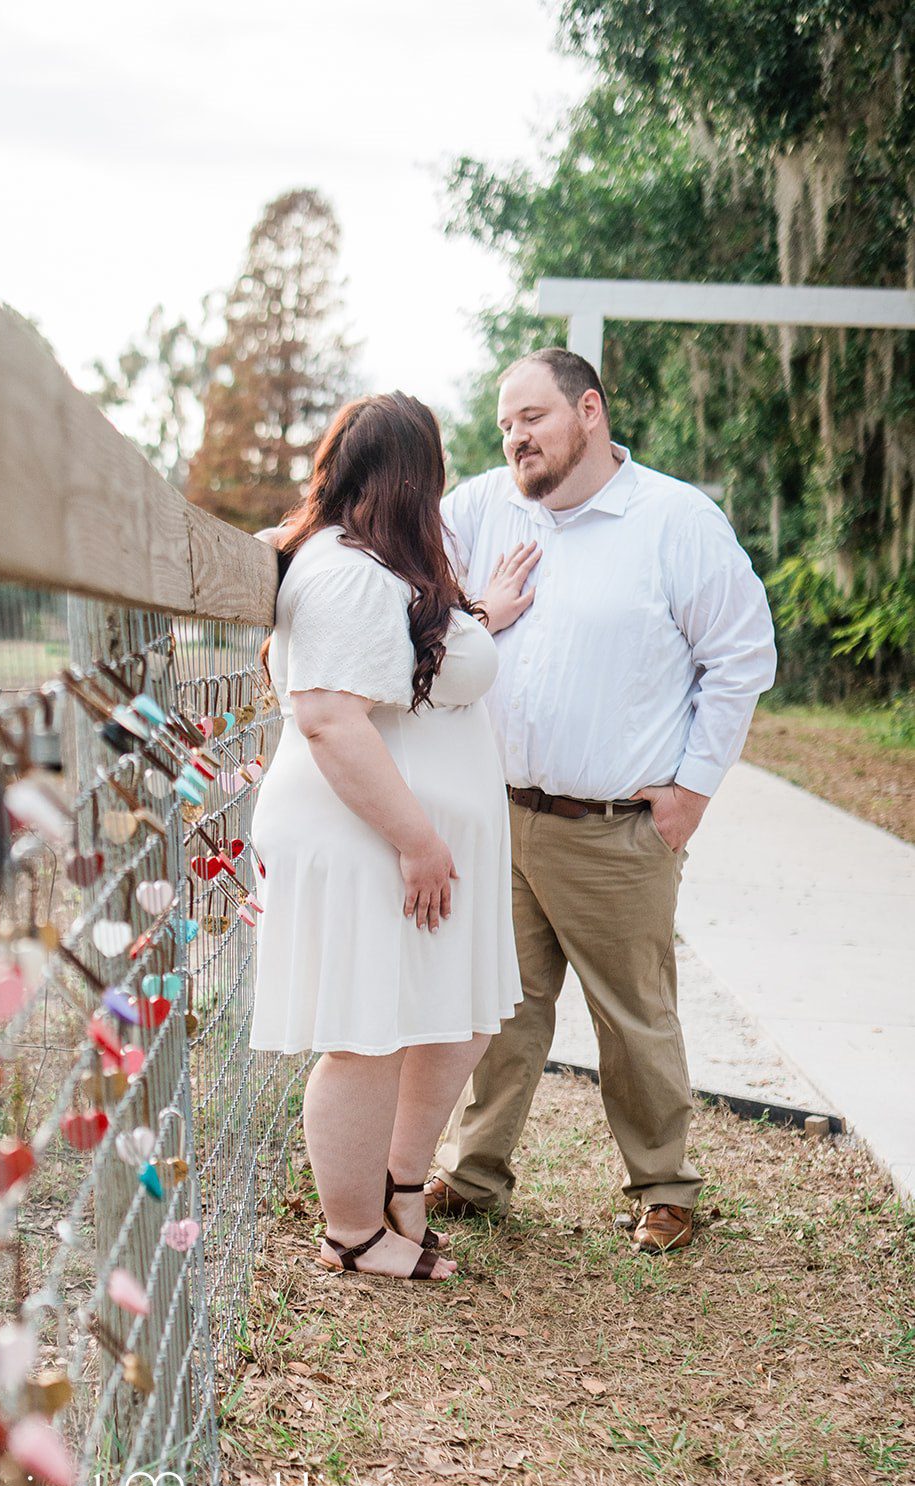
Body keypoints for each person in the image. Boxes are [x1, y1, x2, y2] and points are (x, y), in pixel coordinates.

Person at [427, 347, 777, 1253]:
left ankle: (662, 1186)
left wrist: (691, 791)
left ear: (588, 410)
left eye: (531, 418)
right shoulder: (476, 508)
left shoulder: (673, 520)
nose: (514, 438)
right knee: (497, 1008)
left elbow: (740, 656)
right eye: (504, 424)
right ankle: (473, 1174)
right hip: (499, 814)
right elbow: (410, 595)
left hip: (617, 829)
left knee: (631, 1017)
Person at [248, 392, 522, 1282]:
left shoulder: (375, 563)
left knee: (439, 1019)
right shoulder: (342, 571)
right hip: (369, 835)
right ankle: (352, 1232)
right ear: (415, 476)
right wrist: (417, 840)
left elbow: (406, 663)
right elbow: (329, 717)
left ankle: (401, 1188)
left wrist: (482, 614)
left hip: (406, 837)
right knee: (366, 1030)